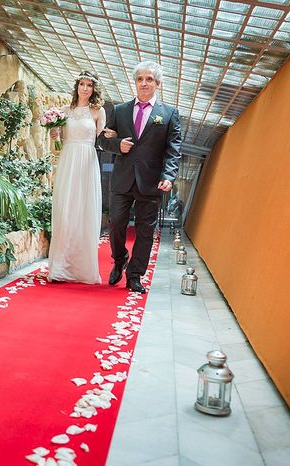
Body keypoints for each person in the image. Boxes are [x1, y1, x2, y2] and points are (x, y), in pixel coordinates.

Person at [98, 61, 182, 293]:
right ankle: (119, 259)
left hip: (151, 181)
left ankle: (135, 275)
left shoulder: (169, 114)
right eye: (140, 79)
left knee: (145, 231)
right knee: (116, 224)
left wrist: (169, 176)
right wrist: (117, 145)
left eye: (149, 79)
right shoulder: (120, 110)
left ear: (158, 83)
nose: (144, 83)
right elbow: (102, 141)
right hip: (122, 179)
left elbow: (174, 150)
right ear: (135, 82)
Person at [48, 71, 106, 284]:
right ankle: (60, 267)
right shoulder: (64, 111)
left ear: (93, 89)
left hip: (87, 162)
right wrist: (53, 134)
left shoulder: (98, 112)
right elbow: (58, 141)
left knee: (84, 210)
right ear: (77, 87)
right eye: (82, 84)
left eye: (89, 85)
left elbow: (102, 141)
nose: (85, 88)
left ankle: (83, 269)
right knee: (65, 210)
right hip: (68, 159)